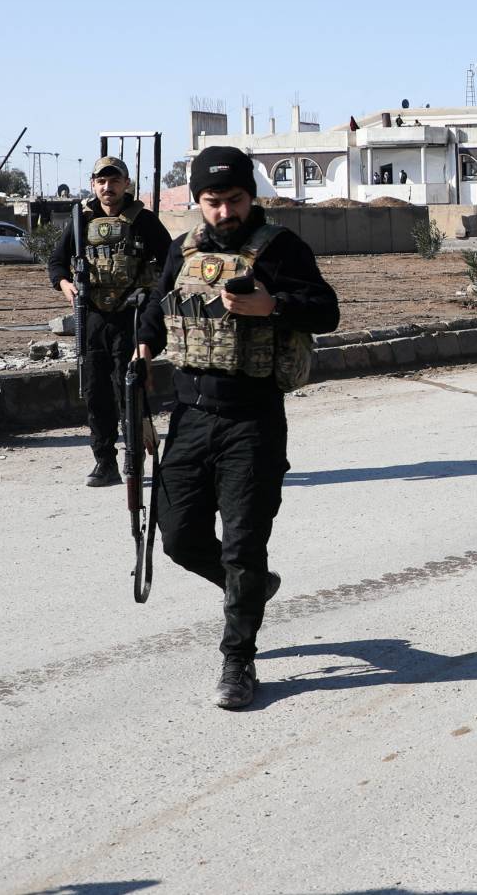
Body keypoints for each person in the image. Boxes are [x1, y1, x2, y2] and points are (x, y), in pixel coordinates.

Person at [136, 146, 339, 710]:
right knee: (178, 538)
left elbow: (326, 310)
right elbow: (157, 310)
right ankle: (251, 588)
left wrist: (272, 306)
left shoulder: (281, 247)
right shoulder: (183, 249)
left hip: (253, 419)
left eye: (234, 200)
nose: (224, 212)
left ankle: (238, 660)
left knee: (245, 545)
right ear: (198, 202)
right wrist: (142, 347)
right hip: (190, 417)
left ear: (251, 196)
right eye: (212, 202)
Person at [49, 156, 173, 487]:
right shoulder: (80, 220)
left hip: (131, 316)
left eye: (114, 181)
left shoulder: (143, 220)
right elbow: (57, 262)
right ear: (93, 185)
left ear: (126, 184)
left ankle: (134, 458)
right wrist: (65, 284)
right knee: (95, 393)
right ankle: (104, 462)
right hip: (93, 318)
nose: (108, 187)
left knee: (129, 388)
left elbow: (170, 263)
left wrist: (152, 299)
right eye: (101, 181)